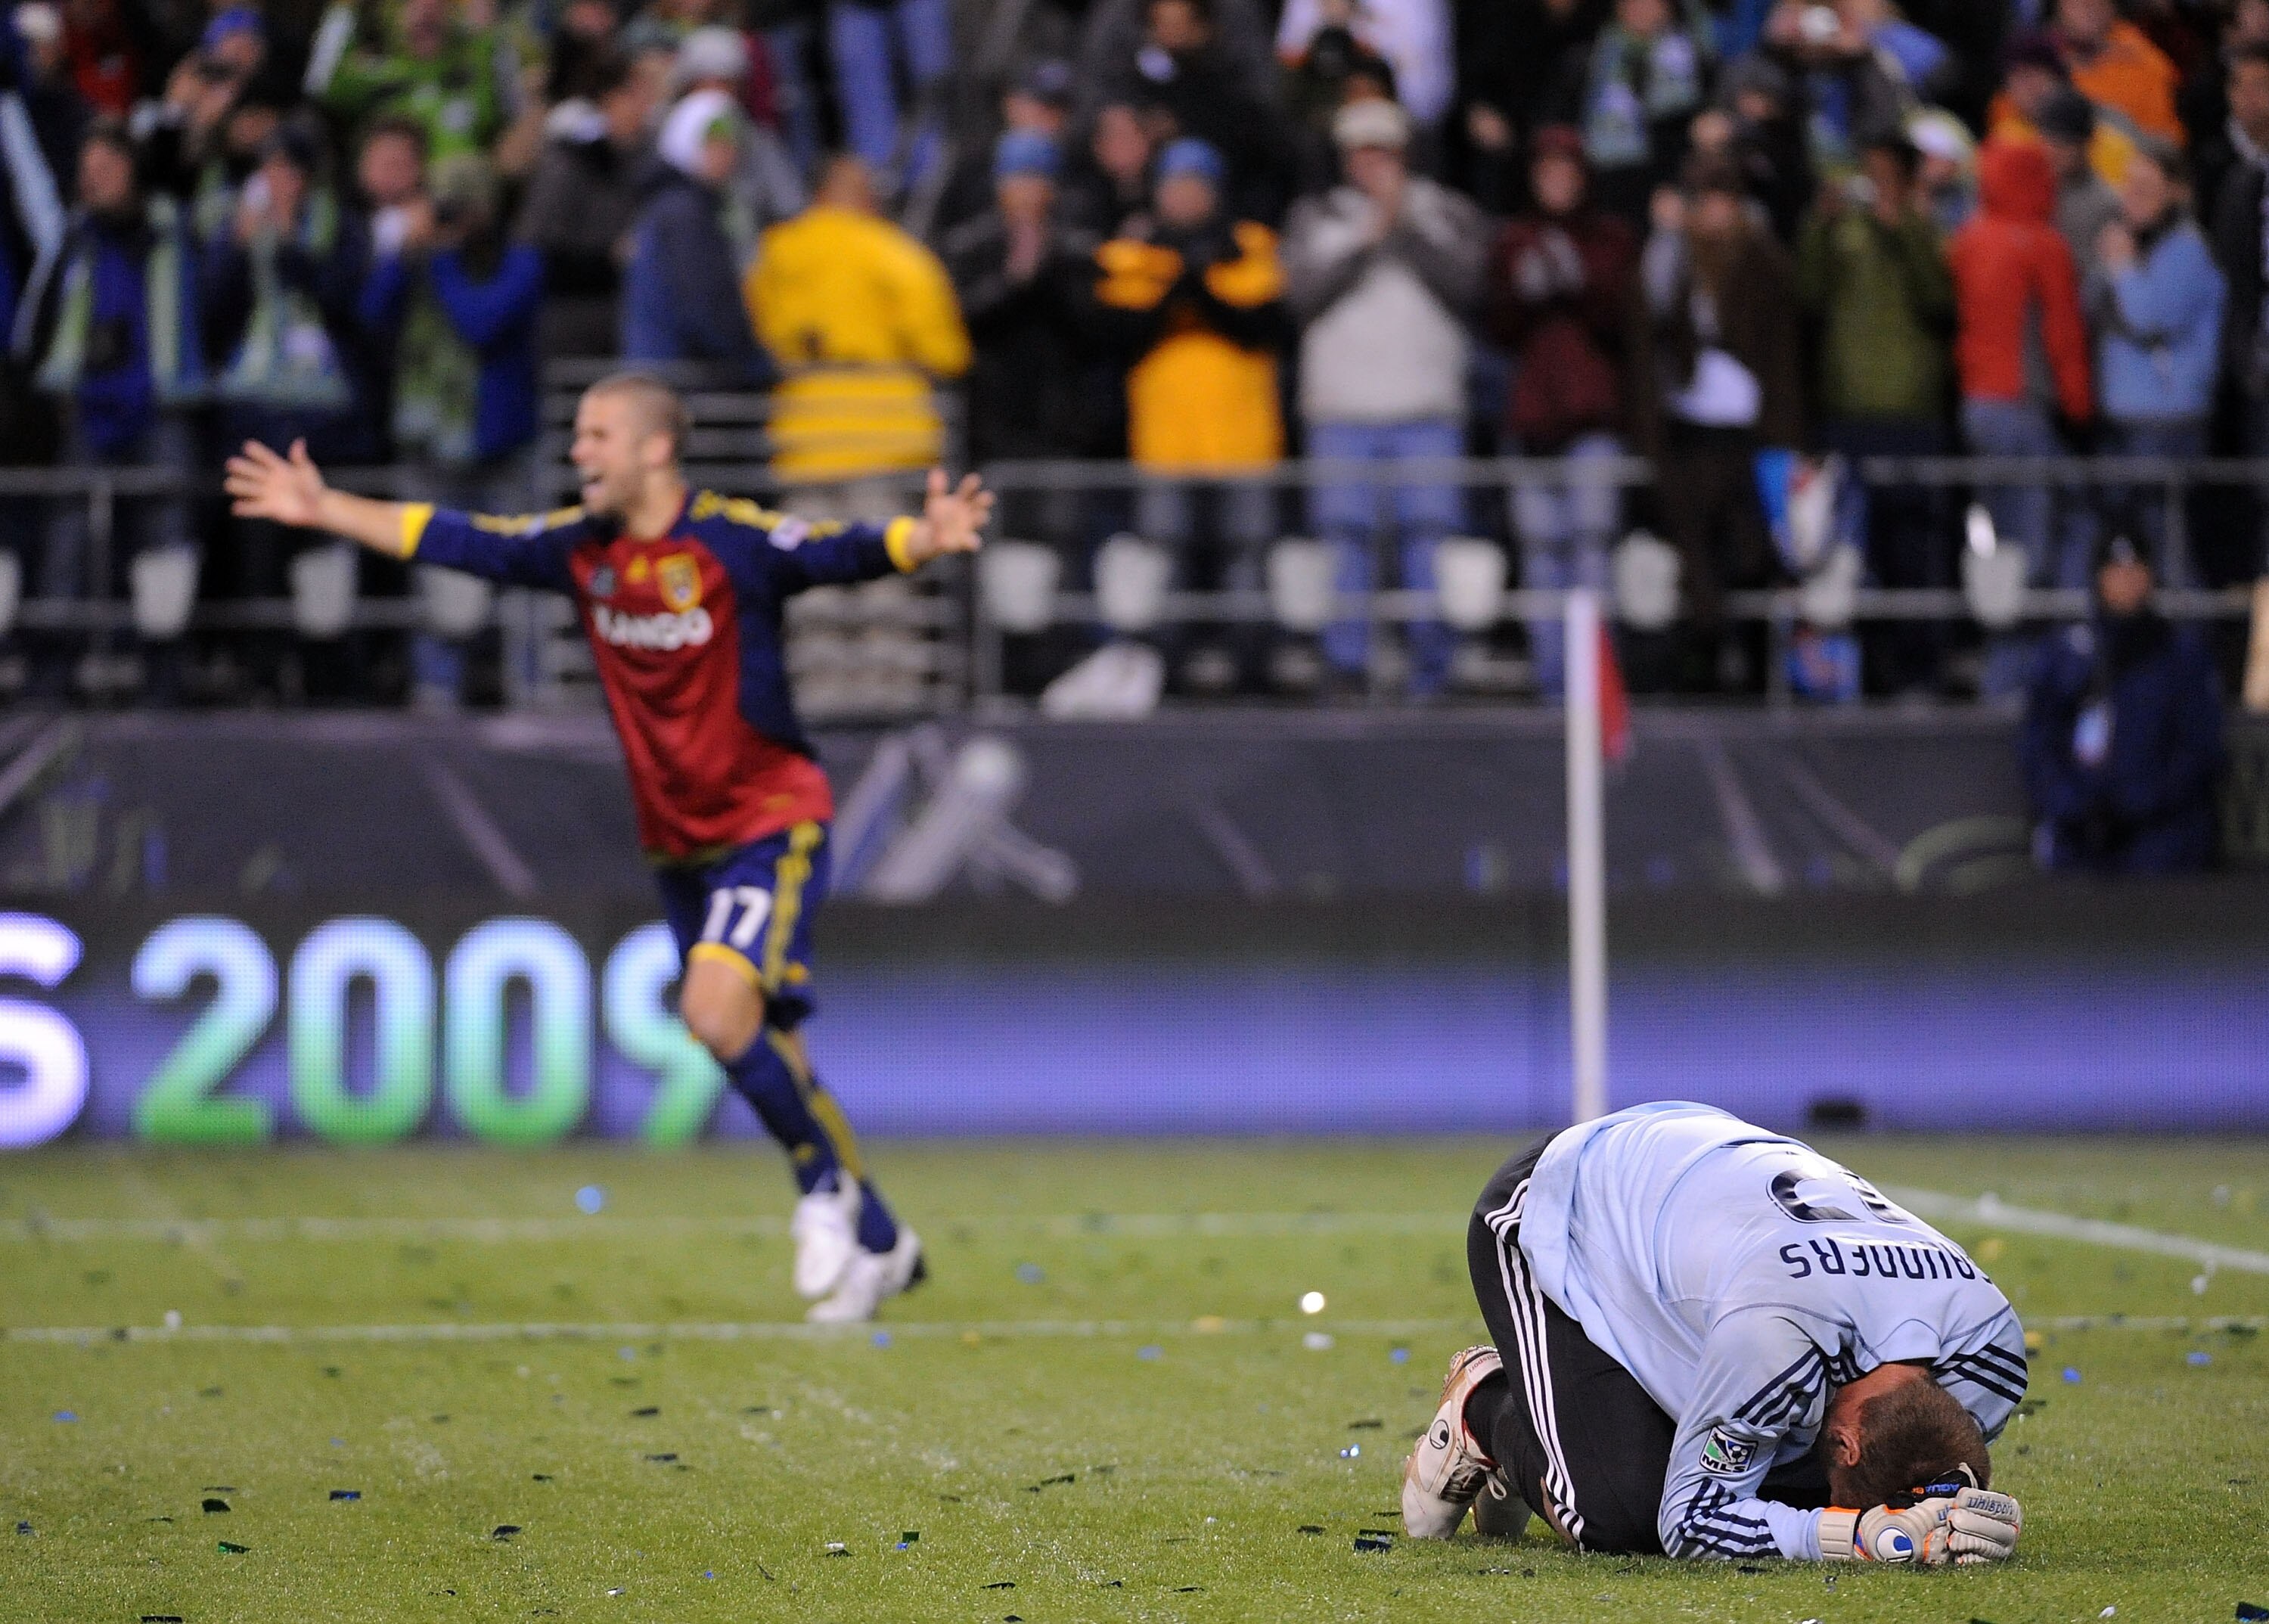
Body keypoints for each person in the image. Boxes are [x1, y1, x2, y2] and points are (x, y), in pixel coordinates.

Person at [223, 372, 994, 1318]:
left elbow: (838, 552)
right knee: (759, 1039)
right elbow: (460, 539)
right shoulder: (580, 550)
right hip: (677, 842)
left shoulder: (728, 541)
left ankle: (822, 1195)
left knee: (714, 1013)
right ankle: (881, 1238)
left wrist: (926, 538)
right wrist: (325, 505)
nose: (579, 452)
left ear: (654, 448)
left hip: (768, 817)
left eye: (597, 436)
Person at [1403, 1101, 2029, 1563]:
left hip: (1709, 1194)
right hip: (1565, 1200)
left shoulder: (1989, 1350)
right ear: (1843, 1441)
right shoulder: (1780, 1342)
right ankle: (1486, 1407)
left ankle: (1562, 1428)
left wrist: (1954, 1503)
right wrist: (1856, 1537)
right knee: (1624, 1518)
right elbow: (1691, 1521)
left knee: (1771, 1474)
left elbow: (1929, 1461)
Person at [1282, 98, 1485, 697]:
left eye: (1384, 152)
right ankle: (1347, 668)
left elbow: (1468, 284)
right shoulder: (1316, 216)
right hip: (1342, 411)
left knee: (1429, 543)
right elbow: (1300, 297)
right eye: (1362, 152)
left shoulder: (1445, 209)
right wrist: (1368, 238)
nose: (1373, 164)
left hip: (1427, 410)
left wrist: (1405, 226)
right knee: (1345, 545)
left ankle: (1432, 669)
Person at [1090, 135, 1287, 691]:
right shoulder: (1134, 251)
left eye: (1195, 186)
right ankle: (1166, 673)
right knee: (1164, 561)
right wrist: (1185, 281)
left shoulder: (1249, 245)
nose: (1184, 198)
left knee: (1247, 561)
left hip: (1242, 438)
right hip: (1164, 439)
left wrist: (1194, 287)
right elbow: (1121, 333)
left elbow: (1259, 327)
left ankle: (1251, 673)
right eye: (1175, 186)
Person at [23, 120, 203, 698]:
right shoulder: (73, 237)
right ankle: (53, 675)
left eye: (107, 166)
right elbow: (43, 319)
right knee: (68, 546)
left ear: (133, 169)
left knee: (166, 546)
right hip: (90, 411)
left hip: (162, 409)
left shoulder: (176, 228)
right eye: (87, 169)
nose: (93, 179)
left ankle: (164, 678)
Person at [360, 154, 546, 707]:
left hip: (502, 446)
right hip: (430, 446)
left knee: (522, 580)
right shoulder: (421, 260)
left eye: (462, 209)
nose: (453, 223)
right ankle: (436, 692)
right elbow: (370, 314)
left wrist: (436, 259)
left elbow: (479, 321)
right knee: (436, 576)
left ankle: (528, 693)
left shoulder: (521, 263)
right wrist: (402, 255)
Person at [1628, 154, 1803, 689]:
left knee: (1753, 552)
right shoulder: (1673, 261)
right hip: (1688, 430)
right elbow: (1651, 322)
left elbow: (1785, 344)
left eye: (1724, 201)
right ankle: (1698, 667)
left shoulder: (1762, 261)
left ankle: (1753, 667)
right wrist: (1665, 239)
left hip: (1751, 431)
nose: (1715, 214)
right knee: (1692, 551)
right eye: (1704, 202)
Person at [1795, 132, 1955, 697]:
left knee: (1915, 549)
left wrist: (1904, 228)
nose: (1875, 183)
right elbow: (1808, 298)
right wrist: (1820, 226)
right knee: (1850, 552)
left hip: (1913, 412)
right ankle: (1859, 675)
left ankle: (1919, 674)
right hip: (1849, 409)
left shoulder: (1928, 227)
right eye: (1869, 170)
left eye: (1886, 172)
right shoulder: (1842, 231)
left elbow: (1941, 301)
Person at [1489, 126, 1636, 700]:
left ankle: (1595, 682)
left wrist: (1580, 282)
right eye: (1545, 169)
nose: (1556, 180)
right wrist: (1520, 292)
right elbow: (1497, 327)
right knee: (1541, 555)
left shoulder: (1608, 238)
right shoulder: (1515, 239)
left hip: (1591, 418)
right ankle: (1554, 683)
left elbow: (1624, 322)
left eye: (1566, 169)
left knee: (1592, 548)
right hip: (1531, 420)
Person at [1947, 136, 2094, 692]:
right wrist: (2081, 408)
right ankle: (2025, 678)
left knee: (2005, 539)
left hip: (1976, 407)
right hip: (2022, 408)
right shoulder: (2042, 245)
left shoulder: (1969, 239)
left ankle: (2007, 670)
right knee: (2042, 538)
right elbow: (2062, 335)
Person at [745, 153, 970, 489]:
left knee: (810, 537)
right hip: (888, 439)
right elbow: (946, 353)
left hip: (805, 440)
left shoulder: (777, 251)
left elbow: (755, 330)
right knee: (882, 538)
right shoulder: (894, 251)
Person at [2021, 533, 2222, 874]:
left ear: (2151, 575)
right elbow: (2038, 741)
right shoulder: (2068, 653)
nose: (2125, 581)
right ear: (2098, 577)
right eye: (2115, 571)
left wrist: (2144, 800)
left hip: (2161, 835)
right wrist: (2073, 803)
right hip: (2082, 834)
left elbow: (2201, 749)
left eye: (2134, 569)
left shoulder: (2179, 654)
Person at [2087, 138, 2224, 590]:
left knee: (2168, 547)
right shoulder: (2133, 246)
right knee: (2133, 549)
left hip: (2167, 423)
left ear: (2177, 193)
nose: (2133, 199)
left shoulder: (2189, 250)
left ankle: (2191, 650)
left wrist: (2122, 265)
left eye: (2147, 188)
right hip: (2126, 420)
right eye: (2130, 188)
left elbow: (2150, 317)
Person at [620, 88, 770, 385]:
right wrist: (754, 364)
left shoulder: (686, 205)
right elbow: (704, 301)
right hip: (681, 380)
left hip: (676, 376)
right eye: (713, 142)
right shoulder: (683, 212)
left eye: (731, 142)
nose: (727, 153)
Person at [517, 51, 659, 361]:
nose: (645, 109)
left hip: (623, 320)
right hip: (573, 322)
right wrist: (608, 257)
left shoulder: (642, 162)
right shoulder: (569, 162)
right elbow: (540, 246)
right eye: (635, 97)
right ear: (609, 101)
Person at [1572, 0, 1712, 225]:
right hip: (1598, 182)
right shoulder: (1589, 59)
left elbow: (1690, 129)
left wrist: (1675, 186)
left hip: (1664, 187)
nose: (1640, 7)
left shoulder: (1691, 63)